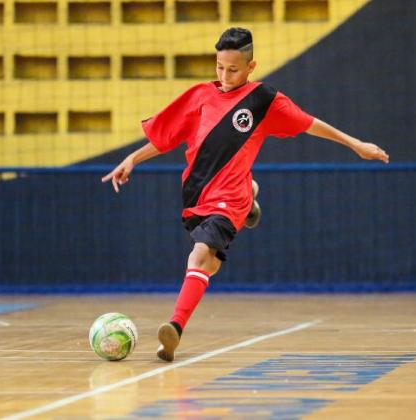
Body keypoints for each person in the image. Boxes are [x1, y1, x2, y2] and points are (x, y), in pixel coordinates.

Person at [101, 27, 389, 362]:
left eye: (233, 69)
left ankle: (174, 329)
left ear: (251, 67)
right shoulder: (199, 97)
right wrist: (132, 159)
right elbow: (167, 138)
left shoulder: (264, 101)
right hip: (196, 196)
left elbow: (310, 123)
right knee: (209, 267)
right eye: (219, 67)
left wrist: (356, 145)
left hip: (227, 200)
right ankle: (251, 194)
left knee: (198, 256)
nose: (224, 75)